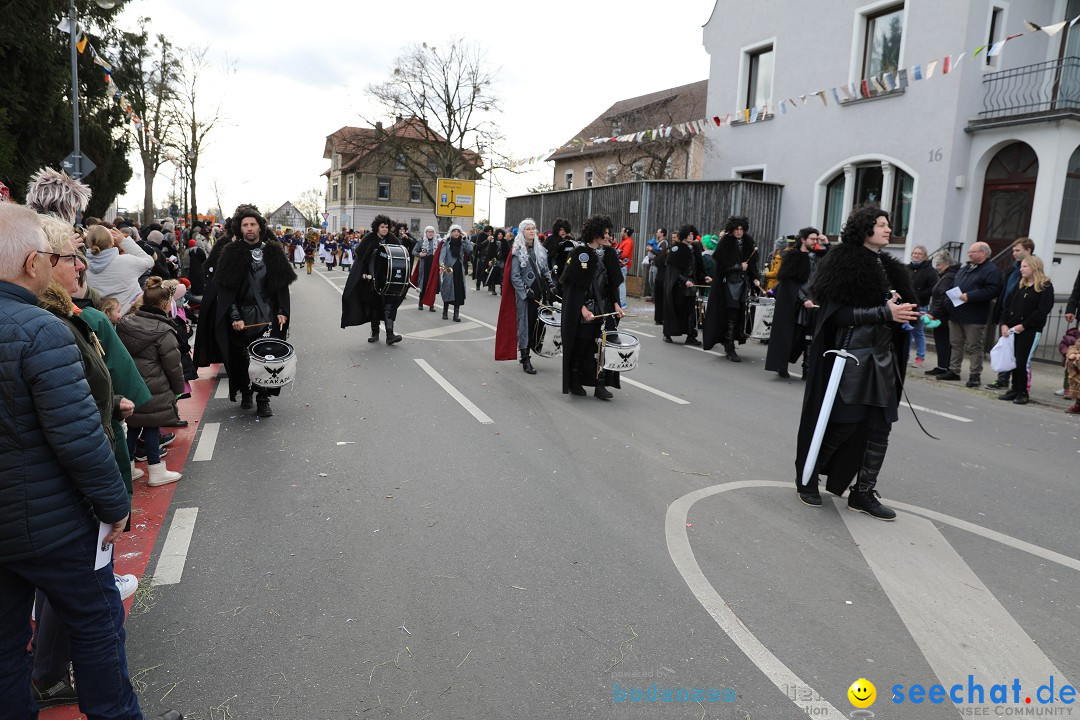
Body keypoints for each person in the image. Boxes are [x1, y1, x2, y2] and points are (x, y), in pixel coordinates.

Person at [0, 201, 178, 720]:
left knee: (6, 649)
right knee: (98, 628)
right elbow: (78, 439)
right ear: (34, 263)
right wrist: (113, 504)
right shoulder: (42, 331)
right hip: (55, 525)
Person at [793, 206, 919, 519]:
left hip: (882, 359)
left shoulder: (890, 268)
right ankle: (808, 476)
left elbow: (893, 313)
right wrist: (882, 313)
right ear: (864, 229)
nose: (888, 229)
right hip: (849, 360)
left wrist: (908, 316)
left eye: (888, 224)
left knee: (880, 428)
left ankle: (863, 493)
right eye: (880, 225)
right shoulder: (842, 262)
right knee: (843, 423)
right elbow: (836, 316)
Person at [194, 205, 296, 418]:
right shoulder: (230, 253)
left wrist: (281, 311)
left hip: (268, 316)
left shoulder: (273, 251)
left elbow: (280, 288)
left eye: (253, 224)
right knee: (241, 361)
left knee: (266, 358)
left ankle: (263, 397)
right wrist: (235, 316)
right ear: (239, 229)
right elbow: (226, 292)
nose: (249, 228)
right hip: (241, 318)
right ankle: (246, 391)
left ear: (260, 227)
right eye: (245, 225)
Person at [559, 215, 624, 400]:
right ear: (594, 233)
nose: (607, 236)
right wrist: (582, 309)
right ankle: (574, 381)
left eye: (608, 232)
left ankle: (600, 384)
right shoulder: (579, 254)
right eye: (604, 232)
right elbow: (572, 288)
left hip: (604, 309)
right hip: (586, 310)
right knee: (581, 348)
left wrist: (617, 305)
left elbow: (612, 285)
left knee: (603, 348)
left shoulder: (609, 254)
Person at [495, 218, 557, 374]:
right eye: (528, 228)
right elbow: (514, 276)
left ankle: (530, 351)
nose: (531, 231)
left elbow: (544, 270)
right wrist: (524, 290)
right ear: (522, 232)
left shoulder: (540, 249)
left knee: (535, 324)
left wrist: (550, 284)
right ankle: (525, 358)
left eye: (533, 228)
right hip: (524, 295)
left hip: (538, 292)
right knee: (524, 324)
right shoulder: (517, 250)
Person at [938, 242, 1002, 387]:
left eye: (972, 252)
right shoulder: (965, 268)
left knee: (974, 346)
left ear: (983, 253)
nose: (969, 254)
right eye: (969, 252)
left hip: (974, 315)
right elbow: (954, 285)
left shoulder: (991, 270)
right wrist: (948, 303)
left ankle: (975, 375)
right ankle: (954, 370)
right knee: (955, 343)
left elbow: (992, 290)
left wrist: (971, 296)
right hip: (956, 313)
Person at [996, 255, 1054, 405]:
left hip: (1029, 330)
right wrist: (1004, 323)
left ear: (1034, 267)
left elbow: (1042, 311)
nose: (1021, 269)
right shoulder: (1020, 284)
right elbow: (1007, 305)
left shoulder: (1045, 286)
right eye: (1021, 266)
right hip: (1013, 329)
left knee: (1023, 361)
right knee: (1014, 359)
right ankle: (1015, 389)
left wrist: (1024, 326)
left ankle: (1023, 392)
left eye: (1024, 266)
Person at [765, 227, 823, 378]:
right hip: (797, 303)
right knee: (793, 336)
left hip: (813, 301)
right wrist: (804, 300)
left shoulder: (816, 256)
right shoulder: (793, 256)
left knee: (810, 336)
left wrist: (827, 245)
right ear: (803, 240)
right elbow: (790, 283)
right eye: (812, 239)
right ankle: (781, 364)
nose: (815, 242)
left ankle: (807, 370)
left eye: (817, 239)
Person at [341, 214, 407, 344]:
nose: (385, 229)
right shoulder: (369, 239)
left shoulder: (392, 239)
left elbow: (400, 256)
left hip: (387, 278)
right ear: (377, 227)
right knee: (375, 306)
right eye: (382, 227)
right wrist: (364, 273)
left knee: (389, 306)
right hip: (372, 279)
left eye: (386, 227)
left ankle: (390, 335)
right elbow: (361, 259)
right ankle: (375, 333)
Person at [702, 216, 760, 362]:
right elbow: (721, 266)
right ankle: (729, 347)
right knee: (731, 315)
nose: (739, 232)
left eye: (741, 229)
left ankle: (732, 341)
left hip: (744, 284)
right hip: (729, 285)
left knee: (740, 315)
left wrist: (755, 277)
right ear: (732, 230)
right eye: (736, 229)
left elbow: (752, 264)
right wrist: (739, 267)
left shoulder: (748, 242)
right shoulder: (725, 243)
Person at [987, 238, 1035, 389]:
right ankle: (1002, 379)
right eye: (1013, 250)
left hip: (1022, 319)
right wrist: (1001, 317)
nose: (1014, 253)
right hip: (1007, 314)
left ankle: (1019, 385)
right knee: (1005, 349)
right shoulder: (1012, 269)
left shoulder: (1032, 270)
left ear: (1028, 251)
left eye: (1017, 250)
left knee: (1018, 354)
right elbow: (1005, 293)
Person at [84, 224, 156, 312]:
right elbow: (149, 261)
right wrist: (124, 241)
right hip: (129, 314)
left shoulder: (81, 267)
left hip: (99, 318)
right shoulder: (127, 261)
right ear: (112, 242)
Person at [658, 224, 708, 346]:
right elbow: (673, 270)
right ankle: (668, 333)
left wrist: (704, 276)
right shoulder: (677, 249)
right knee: (675, 308)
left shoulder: (695, 248)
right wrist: (685, 280)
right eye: (688, 234)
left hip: (692, 286)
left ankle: (691, 335)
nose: (690, 236)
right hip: (678, 286)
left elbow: (697, 267)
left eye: (692, 234)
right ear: (684, 235)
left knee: (690, 310)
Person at [923, 252, 960, 376]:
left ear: (946, 264)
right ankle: (942, 365)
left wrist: (932, 313)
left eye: (939, 264)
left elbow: (942, 297)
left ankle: (944, 366)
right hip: (941, 313)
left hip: (943, 315)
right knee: (941, 341)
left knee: (943, 341)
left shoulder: (948, 277)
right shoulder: (946, 276)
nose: (937, 267)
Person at [907, 244, 937, 368]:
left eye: (919, 253)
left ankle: (920, 357)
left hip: (921, 306)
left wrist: (918, 294)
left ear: (924, 256)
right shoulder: (906, 268)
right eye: (914, 253)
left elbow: (933, 288)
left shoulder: (929, 271)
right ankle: (905, 355)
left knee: (918, 332)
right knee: (907, 332)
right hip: (907, 305)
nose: (916, 255)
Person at [439, 224, 473, 321]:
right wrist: (442, 266)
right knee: (447, 290)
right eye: (454, 231)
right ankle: (445, 311)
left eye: (458, 231)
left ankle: (456, 314)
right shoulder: (446, 242)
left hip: (459, 270)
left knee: (458, 292)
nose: (456, 233)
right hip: (449, 270)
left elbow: (470, 249)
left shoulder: (462, 243)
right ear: (451, 232)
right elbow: (442, 256)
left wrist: (465, 239)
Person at [412, 226, 439, 311]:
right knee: (423, 284)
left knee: (433, 285)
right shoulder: (421, 241)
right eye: (429, 232)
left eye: (432, 232)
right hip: (424, 266)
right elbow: (413, 251)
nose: (430, 233)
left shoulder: (437, 242)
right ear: (426, 233)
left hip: (434, 266)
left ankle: (431, 305)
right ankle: (420, 303)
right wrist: (420, 254)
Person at [643, 228, 667, 300]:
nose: (656, 233)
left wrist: (651, 250)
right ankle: (654, 295)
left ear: (662, 234)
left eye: (658, 232)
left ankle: (657, 297)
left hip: (658, 265)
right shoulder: (657, 242)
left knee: (655, 281)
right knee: (650, 281)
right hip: (652, 263)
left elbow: (661, 253)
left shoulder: (664, 243)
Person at [616, 228, 634, 307]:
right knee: (620, 283)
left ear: (625, 232)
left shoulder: (628, 241)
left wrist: (616, 253)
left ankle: (622, 303)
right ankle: (621, 302)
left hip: (623, 265)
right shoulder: (625, 241)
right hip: (621, 265)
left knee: (621, 283)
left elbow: (624, 254)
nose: (620, 232)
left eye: (622, 231)